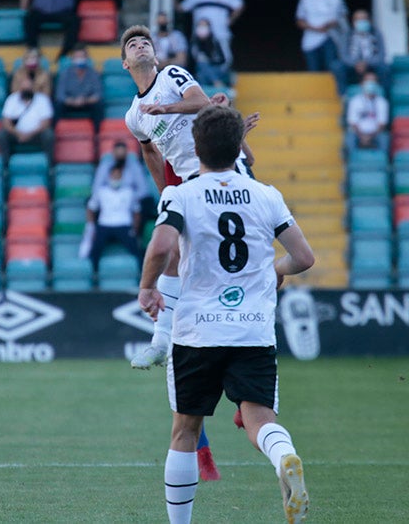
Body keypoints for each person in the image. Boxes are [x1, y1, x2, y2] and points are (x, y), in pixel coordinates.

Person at [138, 104, 315, 524]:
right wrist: (275, 269)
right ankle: (284, 455)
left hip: (198, 330)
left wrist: (147, 288)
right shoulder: (266, 194)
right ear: (240, 147)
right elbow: (304, 257)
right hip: (252, 331)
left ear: (194, 148)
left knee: (185, 429)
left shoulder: (180, 193)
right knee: (259, 420)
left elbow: (162, 247)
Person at [121, 25, 259, 482]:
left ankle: (170, 343)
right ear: (126, 65)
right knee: (178, 258)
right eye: (131, 46)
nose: (140, 46)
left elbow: (203, 105)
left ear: (156, 56)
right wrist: (167, 193)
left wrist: (171, 107)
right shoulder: (133, 116)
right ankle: (164, 341)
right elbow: (151, 154)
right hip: (190, 180)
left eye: (145, 43)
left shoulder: (173, 78)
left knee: (252, 273)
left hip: (226, 174)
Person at [85, 162, 141, 273]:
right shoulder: (101, 192)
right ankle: (94, 275)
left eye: (118, 175)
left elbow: (137, 212)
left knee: (137, 251)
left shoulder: (129, 192)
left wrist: (135, 229)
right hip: (105, 224)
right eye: (114, 175)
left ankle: (142, 275)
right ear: (109, 176)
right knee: (95, 250)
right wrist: (91, 225)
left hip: (124, 224)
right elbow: (91, 208)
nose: (116, 178)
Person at [295, 0, 348, 73]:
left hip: (331, 37)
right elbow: (300, 21)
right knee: (314, 70)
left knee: (332, 68)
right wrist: (315, 28)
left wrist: (330, 24)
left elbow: (343, 16)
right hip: (311, 41)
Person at [0, 73, 54, 164]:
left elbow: (46, 123)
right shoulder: (12, 99)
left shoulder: (42, 99)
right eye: (24, 87)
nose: (26, 90)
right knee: (1, 134)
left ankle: (50, 165)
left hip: (36, 134)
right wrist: (18, 133)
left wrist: (30, 134)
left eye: (29, 87)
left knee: (48, 134)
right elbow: (6, 122)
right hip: (17, 134)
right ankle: (6, 166)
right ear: (20, 88)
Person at [54, 44, 103, 125]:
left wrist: (86, 100)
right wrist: (72, 101)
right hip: (70, 103)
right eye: (77, 57)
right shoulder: (65, 73)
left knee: (98, 106)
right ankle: (56, 133)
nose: (80, 59)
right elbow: (60, 95)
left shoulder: (93, 73)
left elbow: (98, 94)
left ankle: (97, 135)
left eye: (82, 57)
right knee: (58, 105)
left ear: (86, 58)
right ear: (72, 58)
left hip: (87, 103)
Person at [345, 73, 389, 151]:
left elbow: (382, 124)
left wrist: (370, 137)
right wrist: (362, 136)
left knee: (384, 137)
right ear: (362, 84)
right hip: (358, 133)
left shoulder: (382, 102)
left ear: (377, 84)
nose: (370, 83)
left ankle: (383, 160)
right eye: (368, 80)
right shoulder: (355, 101)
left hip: (376, 133)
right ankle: (351, 160)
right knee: (350, 137)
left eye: (373, 81)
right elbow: (353, 122)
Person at [189, 18, 232, 89]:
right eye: (200, 26)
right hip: (200, 70)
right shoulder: (194, 43)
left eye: (204, 26)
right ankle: (217, 83)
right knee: (201, 71)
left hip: (217, 68)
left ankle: (209, 88)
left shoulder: (216, 42)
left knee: (203, 68)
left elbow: (224, 60)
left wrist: (210, 61)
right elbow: (192, 63)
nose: (202, 28)